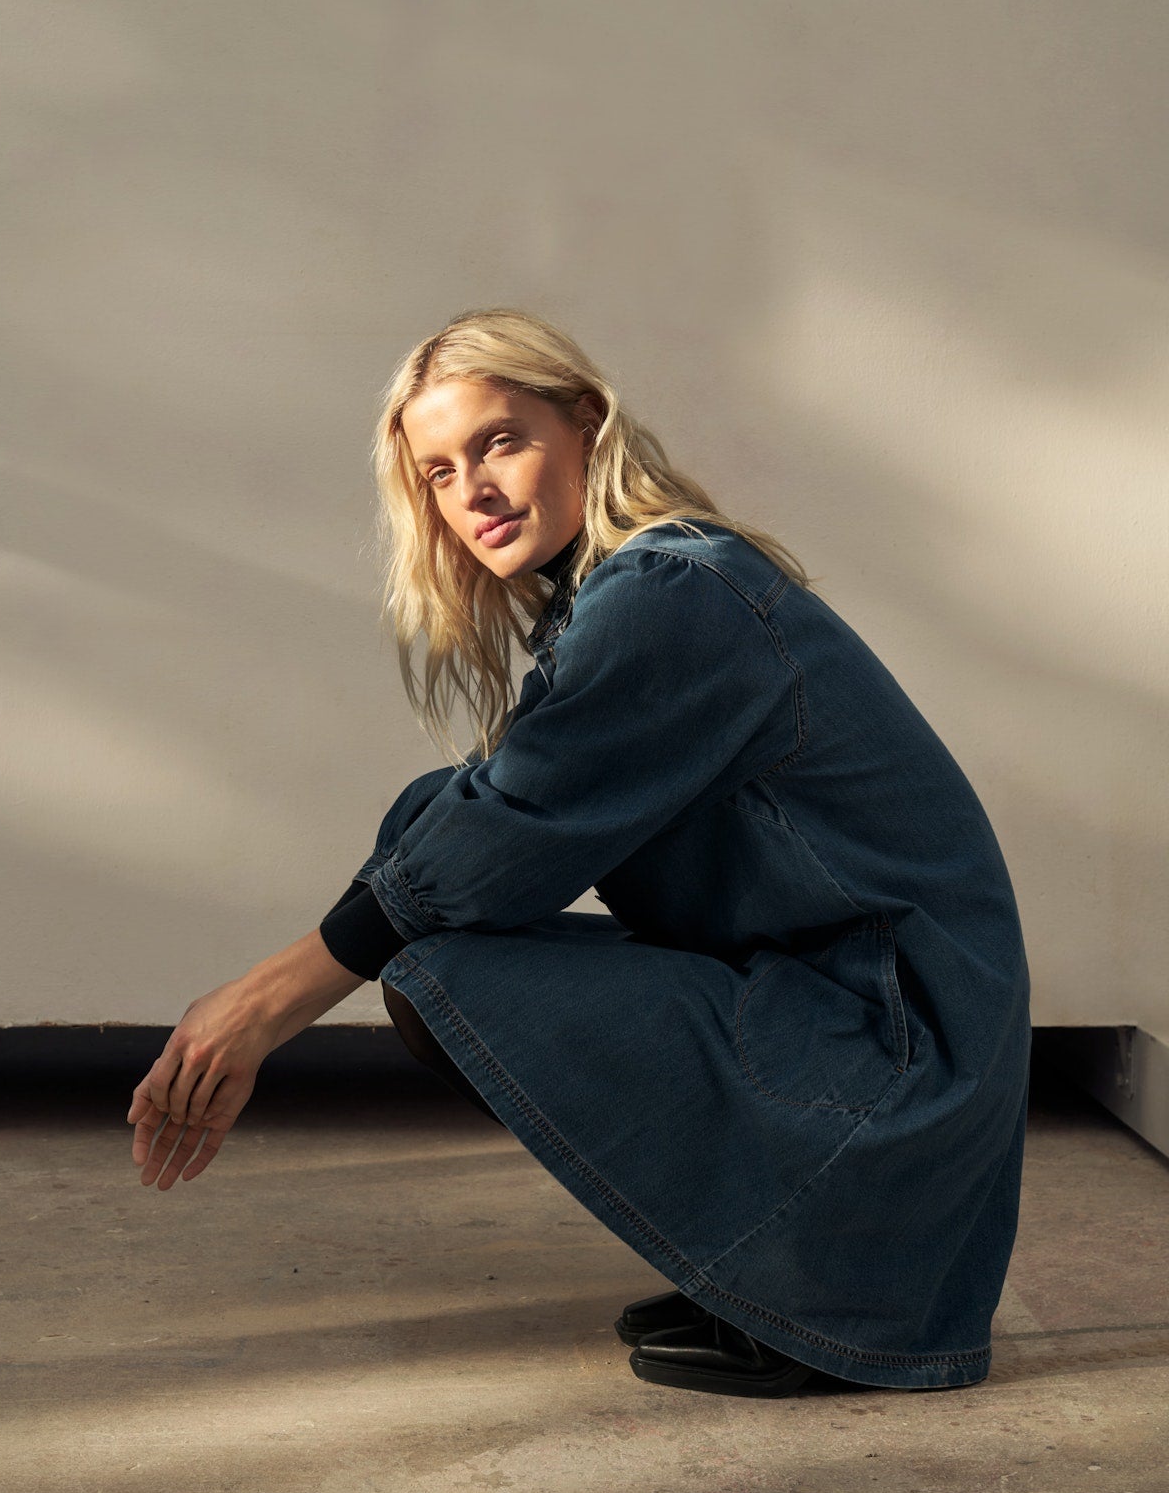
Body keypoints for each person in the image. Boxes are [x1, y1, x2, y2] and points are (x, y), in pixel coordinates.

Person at [126, 306, 1032, 1401]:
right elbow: (472, 817)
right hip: (844, 1019)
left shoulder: (673, 594)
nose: (474, 491)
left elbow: (510, 835)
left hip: (900, 1060)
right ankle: (771, 1267)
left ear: (587, 427)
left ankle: (829, 1282)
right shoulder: (621, 596)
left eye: (501, 442)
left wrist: (265, 1005)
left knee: (443, 961)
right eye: (440, 473)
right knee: (432, 844)